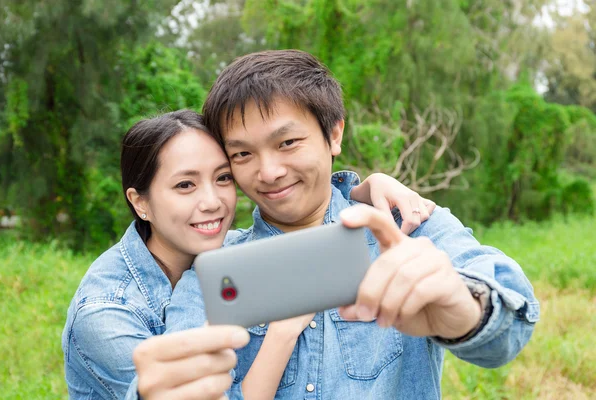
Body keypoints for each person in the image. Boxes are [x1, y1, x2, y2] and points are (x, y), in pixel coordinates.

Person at [194, 49, 541, 399]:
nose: (268, 172)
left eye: (287, 142)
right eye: (242, 154)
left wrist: (463, 307)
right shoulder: (216, 269)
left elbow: (510, 326)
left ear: (334, 134)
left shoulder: (409, 225)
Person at [61, 110, 435, 400]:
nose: (212, 202)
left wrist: (365, 189)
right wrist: (285, 329)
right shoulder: (105, 314)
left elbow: (315, 214)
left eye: (223, 178)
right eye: (185, 185)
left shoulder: (226, 254)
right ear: (140, 202)